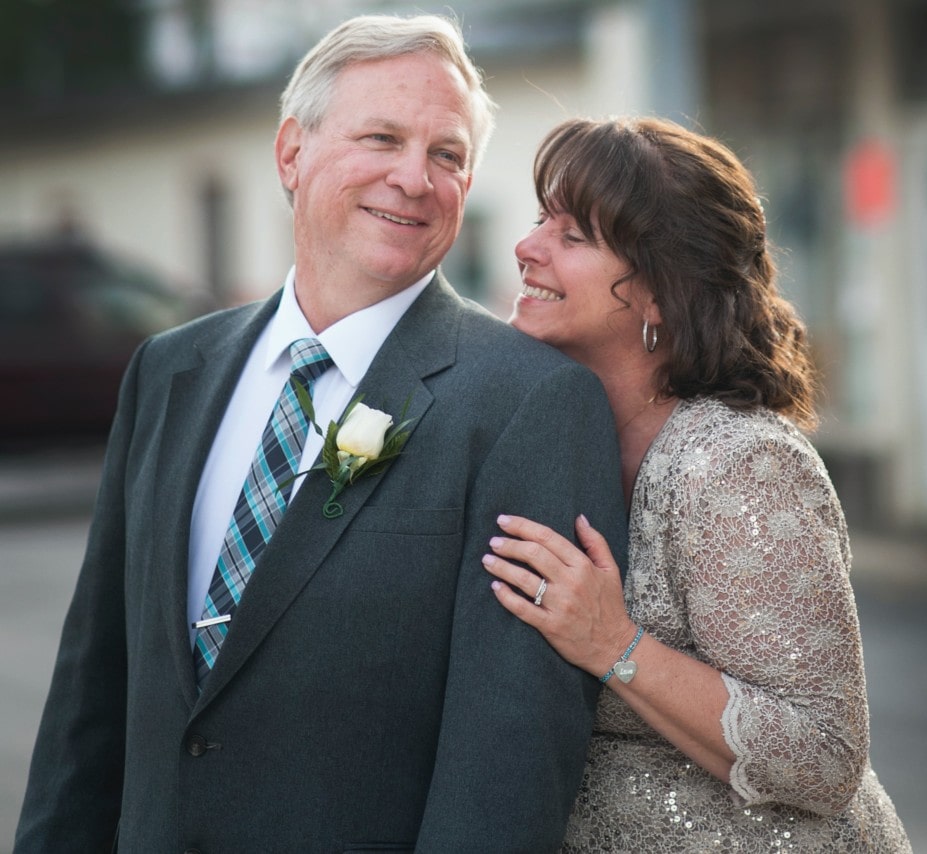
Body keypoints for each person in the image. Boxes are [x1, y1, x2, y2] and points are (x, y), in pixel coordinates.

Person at [15, 15, 627, 853]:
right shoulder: (168, 370)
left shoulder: (530, 403)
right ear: (290, 153)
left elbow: (509, 762)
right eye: (382, 137)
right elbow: (93, 692)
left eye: (446, 155)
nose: (414, 178)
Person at [485, 117, 913, 852]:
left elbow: (823, 755)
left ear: (660, 293)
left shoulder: (740, 465)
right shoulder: (541, 436)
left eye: (573, 236)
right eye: (538, 221)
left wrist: (613, 642)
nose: (527, 248)